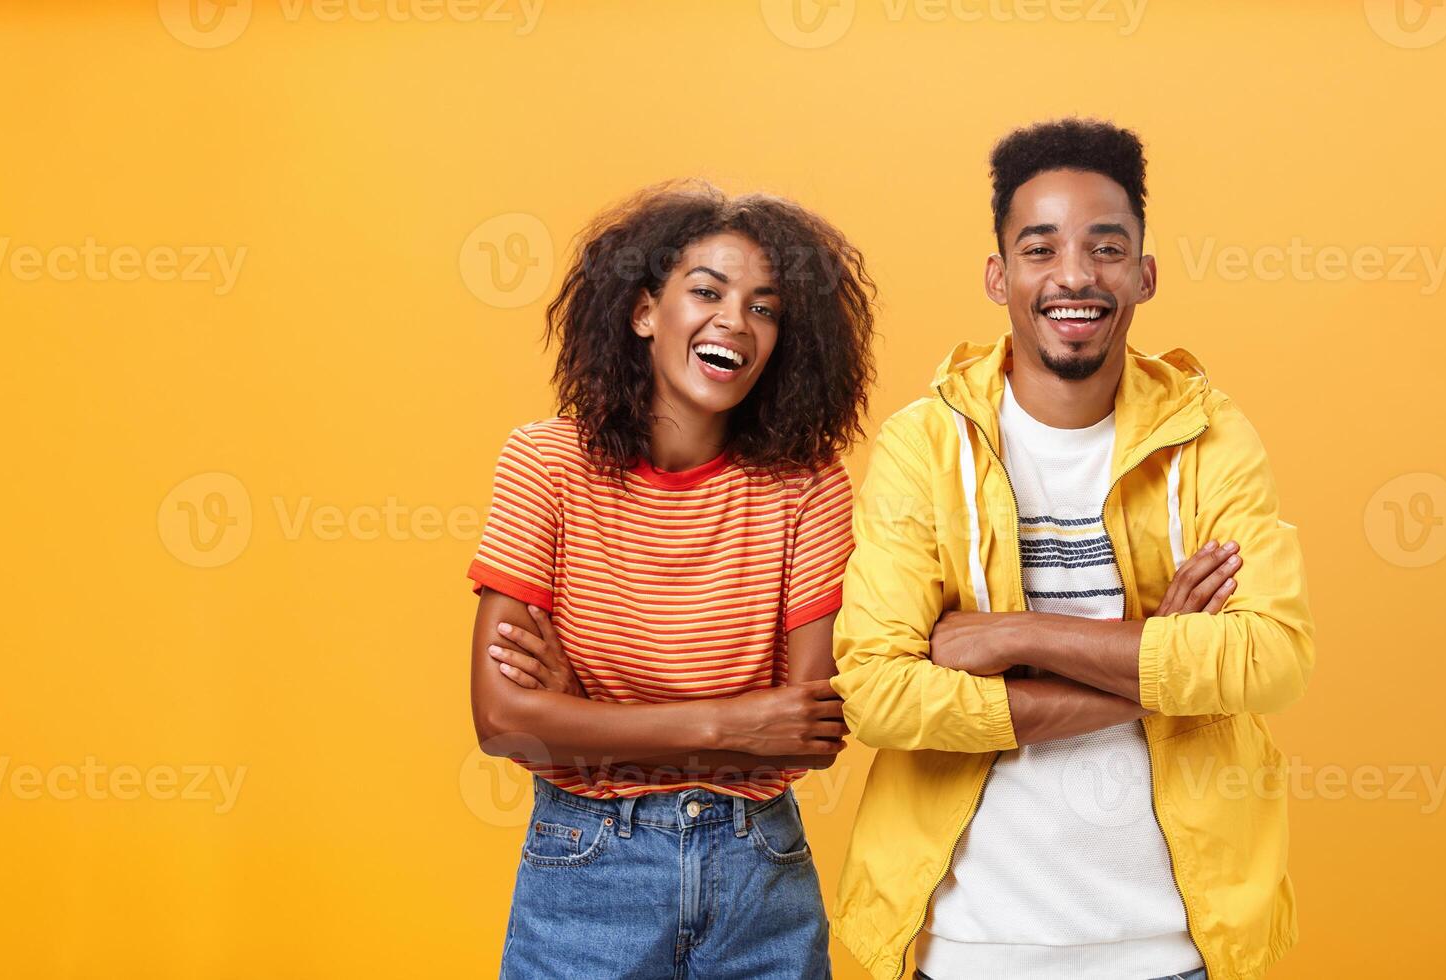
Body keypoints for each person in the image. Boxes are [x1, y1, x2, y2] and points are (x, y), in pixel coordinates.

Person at [828, 118, 1316, 980]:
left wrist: (1016, 636)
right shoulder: (922, 446)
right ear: (999, 276)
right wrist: (1159, 655)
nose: (1074, 277)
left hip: (1173, 945)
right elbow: (876, 694)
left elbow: (1271, 658)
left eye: (1105, 247)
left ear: (1143, 274)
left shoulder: (1210, 435)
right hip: (972, 946)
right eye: (1040, 248)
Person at [465, 180, 876, 979]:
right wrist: (729, 726)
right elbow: (502, 719)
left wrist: (583, 711)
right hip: (586, 867)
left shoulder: (808, 484)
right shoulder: (544, 464)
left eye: (765, 308)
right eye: (707, 292)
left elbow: (806, 731)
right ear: (643, 311)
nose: (735, 321)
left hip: (759, 871)